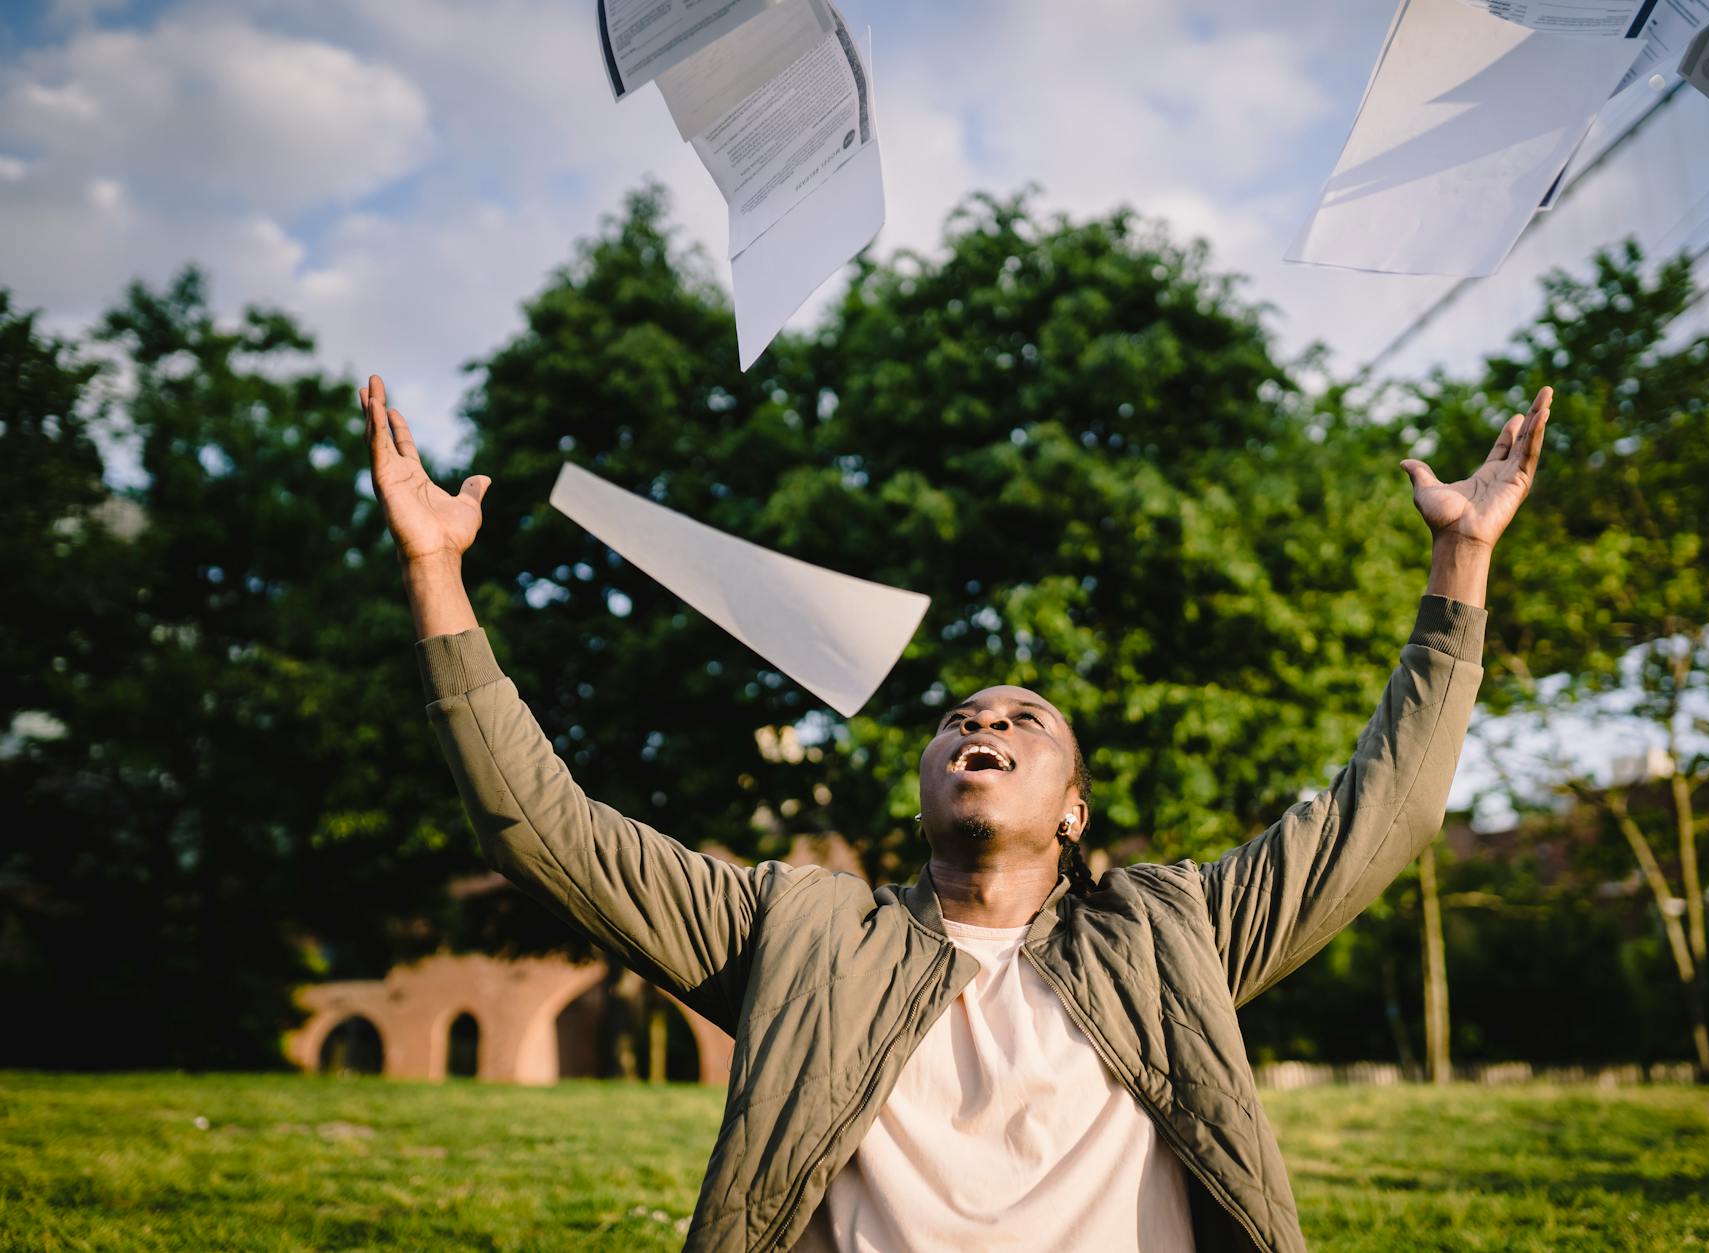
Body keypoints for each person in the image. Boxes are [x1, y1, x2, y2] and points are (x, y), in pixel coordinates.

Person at [361, 374, 1551, 1253]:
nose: (981, 725)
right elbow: (538, 824)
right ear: (926, 781)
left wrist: (1459, 564)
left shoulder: (1170, 927)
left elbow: (1379, 815)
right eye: (957, 719)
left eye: (1023, 719)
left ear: (1073, 809)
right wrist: (435, 573)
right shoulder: (801, 931)